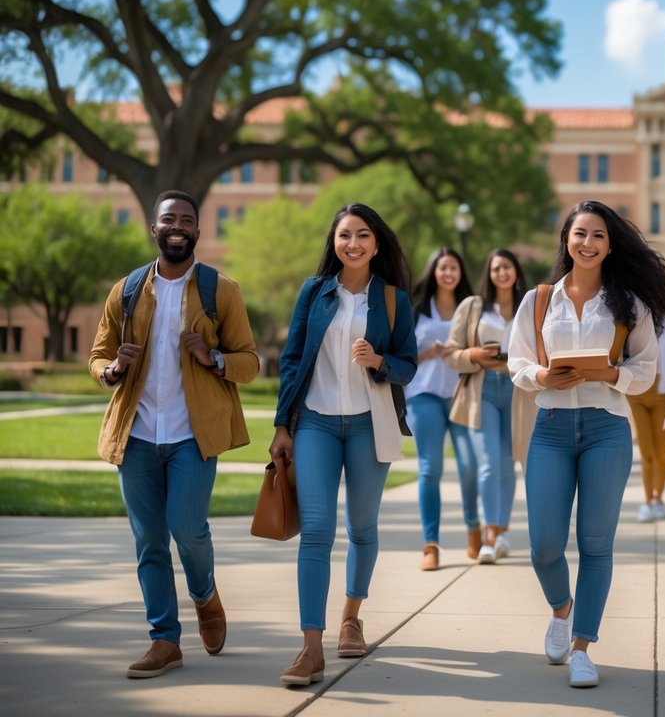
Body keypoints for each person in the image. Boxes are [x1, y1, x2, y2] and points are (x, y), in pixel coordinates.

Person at [508, 200, 665, 688]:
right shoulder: (539, 300)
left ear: (611, 246)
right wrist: (542, 374)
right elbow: (517, 361)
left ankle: (583, 646)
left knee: (595, 544)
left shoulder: (629, 304)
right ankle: (562, 608)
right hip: (551, 428)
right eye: (580, 234)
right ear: (566, 238)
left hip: (606, 428)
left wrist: (611, 373)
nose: (588, 243)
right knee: (543, 545)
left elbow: (645, 369)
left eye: (599, 236)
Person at [89, 190, 259, 679]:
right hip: (137, 435)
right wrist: (112, 370)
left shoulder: (219, 290)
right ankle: (164, 640)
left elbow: (250, 360)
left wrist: (214, 358)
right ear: (155, 229)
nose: (178, 225)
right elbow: (98, 356)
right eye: (169, 219)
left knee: (187, 528)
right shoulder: (126, 290)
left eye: (187, 219)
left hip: (192, 436)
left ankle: (205, 595)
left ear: (198, 232)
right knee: (149, 542)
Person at [269, 203, 418, 686]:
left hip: (369, 423)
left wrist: (378, 360)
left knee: (362, 526)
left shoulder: (393, 299)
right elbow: (292, 360)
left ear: (377, 243)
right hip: (314, 422)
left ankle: (351, 615)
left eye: (362, 235)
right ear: (333, 242)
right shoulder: (315, 293)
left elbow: (409, 366)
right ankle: (311, 647)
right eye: (344, 236)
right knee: (315, 530)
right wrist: (281, 425)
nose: (352, 244)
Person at [445, 248, 528, 564]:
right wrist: (474, 355)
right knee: (489, 462)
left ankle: (503, 532)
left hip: (517, 388)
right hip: (482, 388)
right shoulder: (473, 306)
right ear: (489, 274)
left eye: (507, 266)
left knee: (508, 463)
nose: (502, 273)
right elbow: (451, 352)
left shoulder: (528, 306)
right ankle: (490, 537)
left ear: (516, 271)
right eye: (496, 268)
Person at [405, 247, 481, 571]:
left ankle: (473, 525)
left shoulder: (473, 308)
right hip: (424, 395)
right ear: (434, 271)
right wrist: (429, 354)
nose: (448, 273)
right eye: (443, 267)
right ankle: (430, 545)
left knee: (469, 465)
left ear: (461, 273)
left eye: (454, 268)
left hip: (461, 396)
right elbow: (403, 357)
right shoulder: (417, 309)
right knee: (429, 468)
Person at [627, 313, 665, 523]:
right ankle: (647, 501)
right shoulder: (631, 316)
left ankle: (658, 498)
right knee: (646, 452)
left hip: (664, 391)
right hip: (636, 391)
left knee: (663, 452)